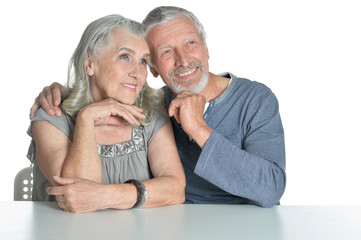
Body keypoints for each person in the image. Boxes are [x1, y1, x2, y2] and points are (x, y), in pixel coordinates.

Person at [30, 6, 286, 208]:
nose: (184, 61)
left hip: (250, 224)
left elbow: (270, 187)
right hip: (173, 223)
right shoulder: (155, 104)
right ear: (153, 68)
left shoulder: (255, 99)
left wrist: (198, 128)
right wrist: (65, 94)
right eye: (165, 52)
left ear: (206, 49)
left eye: (191, 43)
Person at [27, 14, 185, 213]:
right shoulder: (51, 115)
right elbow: (78, 200)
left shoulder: (151, 116)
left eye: (143, 61)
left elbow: (176, 190)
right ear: (90, 64)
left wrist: (107, 195)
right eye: (125, 57)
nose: (137, 72)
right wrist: (86, 118)